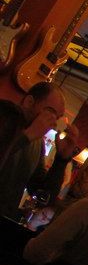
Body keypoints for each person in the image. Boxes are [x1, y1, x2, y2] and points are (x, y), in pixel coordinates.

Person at [0, 82, 65, 220]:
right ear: (29, 102)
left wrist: (62, 159)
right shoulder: (5, 115)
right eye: (50, 112)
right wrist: (27, 136)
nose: (53, 122)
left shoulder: (37, 142)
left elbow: (41, 193)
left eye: (57, 117)